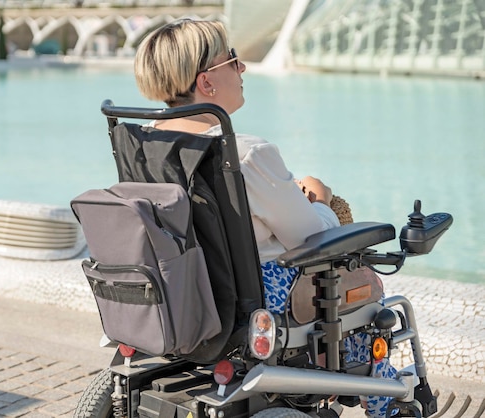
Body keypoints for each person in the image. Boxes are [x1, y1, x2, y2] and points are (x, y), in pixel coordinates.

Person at [134, 18, 397, 418]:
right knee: (371, 286)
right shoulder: (245, 154)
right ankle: (384, 400)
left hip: (188, 292)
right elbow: (310, 236)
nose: (243, 70)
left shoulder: (147, 141)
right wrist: (322, 200)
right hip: (258, 301)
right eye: (234, 61)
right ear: (206, 83)